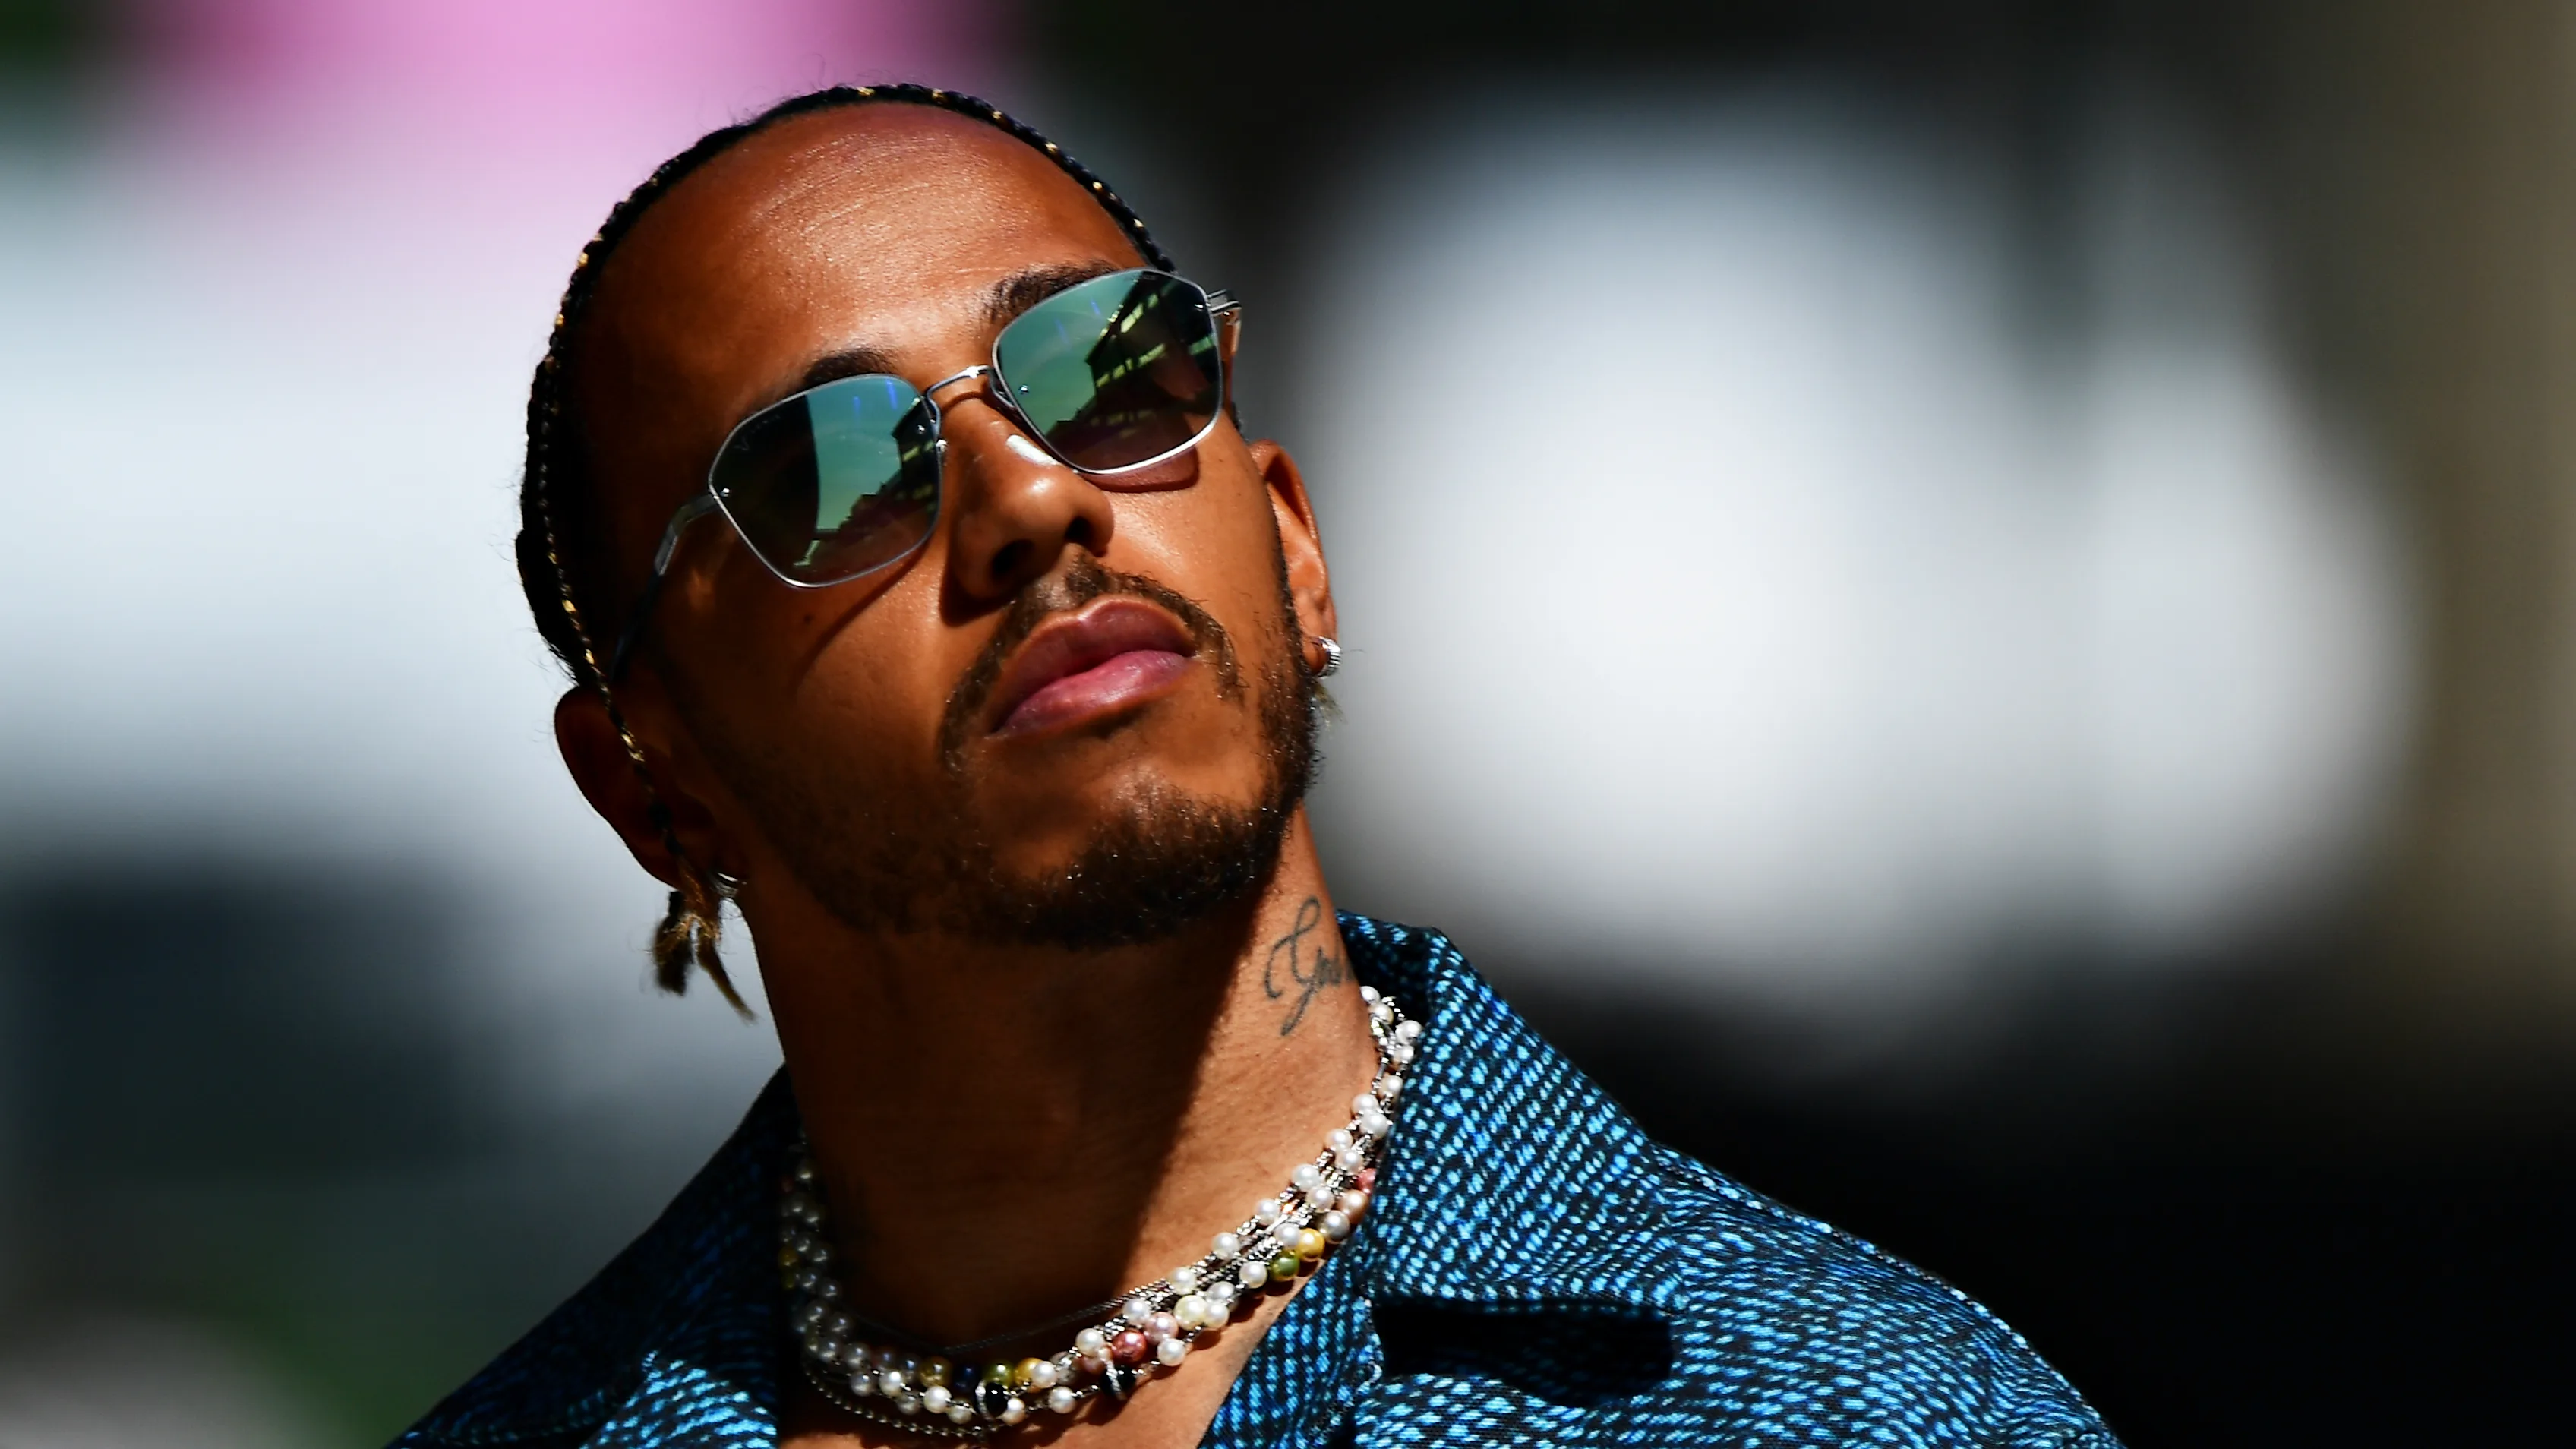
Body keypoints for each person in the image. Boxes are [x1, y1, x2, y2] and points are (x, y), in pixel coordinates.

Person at [393, 84, 2120, 1449]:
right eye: (835, 477)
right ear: (652, 788)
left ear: (1291, 551)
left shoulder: (1829, 1412)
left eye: (1110, 371)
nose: (1035, 500)